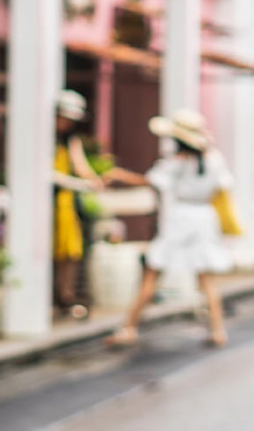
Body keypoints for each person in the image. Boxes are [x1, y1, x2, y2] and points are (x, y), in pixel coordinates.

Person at [107, 109, 234, 348]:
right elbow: (223, 186)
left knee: (152, 274)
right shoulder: (214, 159)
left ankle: (129, 327)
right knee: (206, 279)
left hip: (180, 219)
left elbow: (150, 181)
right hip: (204, 217)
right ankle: (217, 330)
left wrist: (119, 175)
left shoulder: (176, 163)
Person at [53, 91, 144, 320]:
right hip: (50, 201)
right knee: (53, 250)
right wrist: (77, 182)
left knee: (71, 250)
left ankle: (66, 294)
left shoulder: (70, 141)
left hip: (66, 201)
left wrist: (94, 180)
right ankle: (55, 295)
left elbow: (80, 165)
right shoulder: (47, 139)